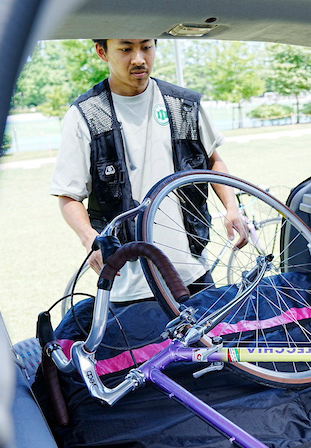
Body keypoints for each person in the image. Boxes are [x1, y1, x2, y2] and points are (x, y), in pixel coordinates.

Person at [50, 38, 247, 302]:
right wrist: (89, 239)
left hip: (193, 270)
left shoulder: (183, 105)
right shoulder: (84, 115)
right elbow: (68, 196)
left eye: (146, 47)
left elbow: (212, 161)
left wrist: (231, 208)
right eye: (125, 49)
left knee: (210, 341)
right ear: (102, 52)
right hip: (128, 282)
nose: (139, 58)